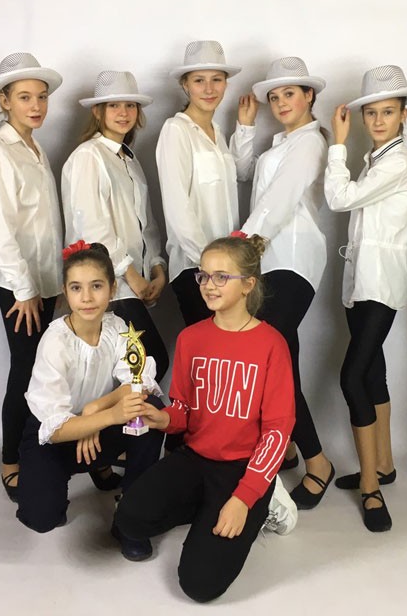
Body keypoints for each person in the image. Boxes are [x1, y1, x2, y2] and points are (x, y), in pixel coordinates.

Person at [114, 234, 296, 603]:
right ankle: (207, 509)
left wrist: (243, 498)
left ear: (248, 284)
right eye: (203, 275)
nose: (209, 285)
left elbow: (277, 432)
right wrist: (161, 418)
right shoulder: (191, 338)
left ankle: (267, 499)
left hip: (243, 469)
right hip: (196, 459)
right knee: (128, 519)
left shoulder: (271, 344)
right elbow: (183, 408)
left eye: (221, 277)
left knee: (200, 585)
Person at [16, 241, 165, 561]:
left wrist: (96, 409)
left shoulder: (118, 328)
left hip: (97, 425)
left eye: (96, 286)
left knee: (151, 411)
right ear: (65, 292)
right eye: (76, 288)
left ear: (112, 289)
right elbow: (55, 427)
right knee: (42, 516)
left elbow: (140, 380)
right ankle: (72, 477)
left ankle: (130, 519)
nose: (86, 297)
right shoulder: (55, 341)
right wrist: (100, 418)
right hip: (56, 438)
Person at [230, 56, 335, 509]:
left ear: (309, 95)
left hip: (291, 260)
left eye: (289, 93)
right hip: (267, 263)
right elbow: (242, 173)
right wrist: (245, 128)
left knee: (274, 365)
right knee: (280, 364)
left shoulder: (310, 142)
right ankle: (287, 448)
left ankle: (318, 462)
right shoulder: (280, 143)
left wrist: (241, 247)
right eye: (274, 97)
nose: (280, 103)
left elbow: (281, 197)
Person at [324, 65, 407, 532]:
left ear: (404, 115)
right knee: (372, 371)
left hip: (379, 285)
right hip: (362, 282)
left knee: (352, 377)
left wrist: (337, 144)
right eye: (372, 113)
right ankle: (383, 464)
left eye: (388, 112)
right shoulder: (378, 159)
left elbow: (340, 198)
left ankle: (370, 486)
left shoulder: (397, 163)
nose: (379, 120)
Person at [0, 52, 63, 502]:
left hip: (45, 279)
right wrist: (21, 291)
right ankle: (12, 461)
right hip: (19, 284)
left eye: (41, 97)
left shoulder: (34, 148)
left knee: (44, 371)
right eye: (25, 97)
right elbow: (0, 230)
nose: (36, 105)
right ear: (4, 101)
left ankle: (37, 451)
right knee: (26, 371)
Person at [61, 71, 170, 388]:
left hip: (132, 283)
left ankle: (114, 420)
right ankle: (109, 420)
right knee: (147, 362)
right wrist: (131, 275)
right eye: (114, 106)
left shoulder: (130, 161)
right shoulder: (89, 156)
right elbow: (93, 226)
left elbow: (146, 225)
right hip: (108, 285)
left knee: (132, 368)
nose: (123, 113)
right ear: (97, 112)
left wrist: (157, 269)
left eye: (130, 105)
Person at [158, 40, 241, 327]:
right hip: (196, 269)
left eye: (216, 79)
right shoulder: (176, 130)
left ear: (226, 84)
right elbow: (177, 204)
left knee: (227, 349)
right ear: (185, 85)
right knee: (206, 347)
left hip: (227, 269)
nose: (208, 89)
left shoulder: (218, 134)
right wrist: (209, 268)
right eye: (199, 80)